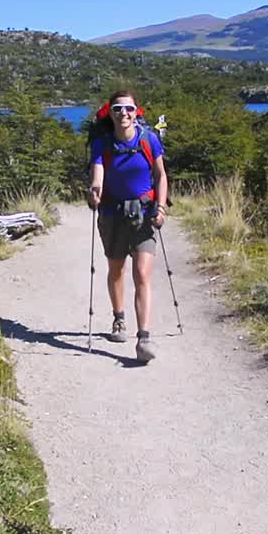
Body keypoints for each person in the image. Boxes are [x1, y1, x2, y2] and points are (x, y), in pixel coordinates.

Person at [86, 90, 169, 363]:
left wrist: (161, 206)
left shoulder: (149, 140)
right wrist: (95, 190)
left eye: (129, 109)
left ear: (137, 112)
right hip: (112, 215)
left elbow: (160, 175)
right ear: (110, 113)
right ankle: (119, 318)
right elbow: (97, 171)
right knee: (116, 269)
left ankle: (143, 338)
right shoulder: (102, 144)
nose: (124, 113)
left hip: (144, 215)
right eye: (118, 109)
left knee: (142, 275)